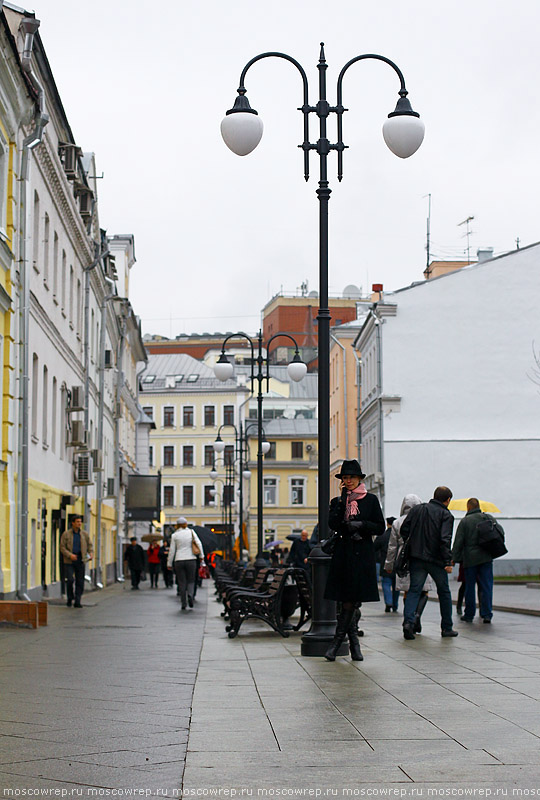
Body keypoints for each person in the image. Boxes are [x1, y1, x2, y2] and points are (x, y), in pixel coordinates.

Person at [324, 459, 385, 662]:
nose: (348, 481)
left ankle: (336, 644)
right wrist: (342, 503)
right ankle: (354, 646)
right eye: (345, 478)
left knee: (350, 601)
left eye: (351, 477)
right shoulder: (338, 501)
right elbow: (332, 524)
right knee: (346, 601)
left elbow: (379, 527)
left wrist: (361, 524)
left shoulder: (371, 500)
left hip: (361, 556)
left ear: (359, 478)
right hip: (343, 554)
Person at [400, 486, 458, 640]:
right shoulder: (446, 515)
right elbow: (445, 539)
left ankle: (408, 623)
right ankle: (447, 627)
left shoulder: (418, 510)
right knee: (444, 592)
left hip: (416, 557)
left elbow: (404, 530)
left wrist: (413, 544)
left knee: (414, 590)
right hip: (436, 560)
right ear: (447, 500)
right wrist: (448, 561)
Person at [385, 495, 433, 633]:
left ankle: (410, 618)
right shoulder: (424, 519)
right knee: (424, 590)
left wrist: (389, 565)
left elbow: (392, 546)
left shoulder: (397, 522)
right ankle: (417, 616)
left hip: (404, 558)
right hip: (423, 556)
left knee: (408, 591)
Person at [452, 497, 499, 624]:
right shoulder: (489, 518)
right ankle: (487, 614)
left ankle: (469, 614)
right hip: (486, 558)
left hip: (470, 559)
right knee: (486, 586)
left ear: (468, 507)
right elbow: (501, 532)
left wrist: (453, 559)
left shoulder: (465, 521)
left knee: (469, 587)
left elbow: (458, 542)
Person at [167, 517, 204, 610]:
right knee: (191, 580)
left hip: (179, 560)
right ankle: (190, 595)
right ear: (186, 524)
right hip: (191, 559)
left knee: (181, 582)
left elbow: (172, 550)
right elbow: (199, 544)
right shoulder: (191, 532)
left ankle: (183, 602)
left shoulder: (174, 535)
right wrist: (201, 556)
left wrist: (169, 563)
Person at [60, 514, 93, 608]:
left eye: (80, 522)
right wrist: (69, 555)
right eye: (77, 522)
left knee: (80, 581)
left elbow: (90, 545)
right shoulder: (66, 534)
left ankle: (78, 600)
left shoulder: (84, 534)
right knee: (70, 580)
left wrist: (90, 553)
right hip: (69, 560)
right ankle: (70, 597)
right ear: (73, 523)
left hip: (80, 559)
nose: (79, 524)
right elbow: (62, 547)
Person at [374, 516, 399, 612]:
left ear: (387, 524)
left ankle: (388, 602)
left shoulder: (382, 536)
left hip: (386, 563)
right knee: (396, 586)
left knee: (386, 584)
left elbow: (374, 548)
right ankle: (395, 605)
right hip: (397, 564)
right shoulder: (398, 535)